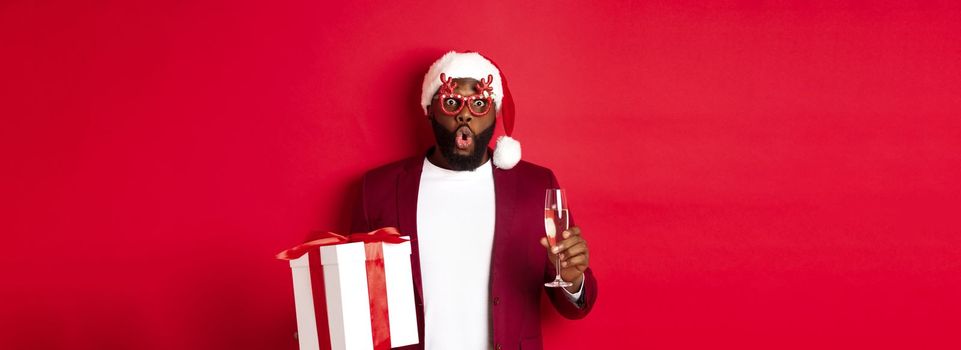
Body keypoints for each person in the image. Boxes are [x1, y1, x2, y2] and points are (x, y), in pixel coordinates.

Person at [350, 51, 597, 350]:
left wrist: (572, 280)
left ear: (495, 112)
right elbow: (356, 294)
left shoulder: (535, 185)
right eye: (451, 102)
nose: (464, 114)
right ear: (430, 108)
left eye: (479, 103)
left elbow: (575, 306)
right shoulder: (378, 189)